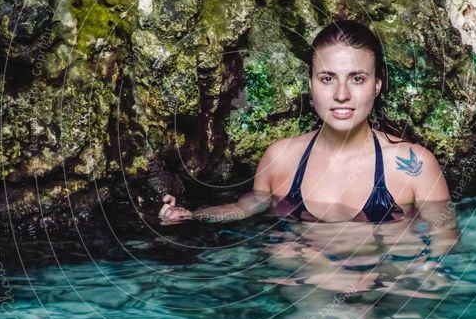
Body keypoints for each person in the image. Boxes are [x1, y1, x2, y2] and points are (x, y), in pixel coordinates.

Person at [158, 19, 450, 225]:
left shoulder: (414, 166)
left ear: (377, 85)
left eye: (357, 79)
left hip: (381, 294)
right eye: (327, 79)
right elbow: (244, 208)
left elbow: (443, 246)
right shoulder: (282, 158)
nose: (341, 94)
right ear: (311, 84)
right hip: (297, 293)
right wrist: (191, 216)